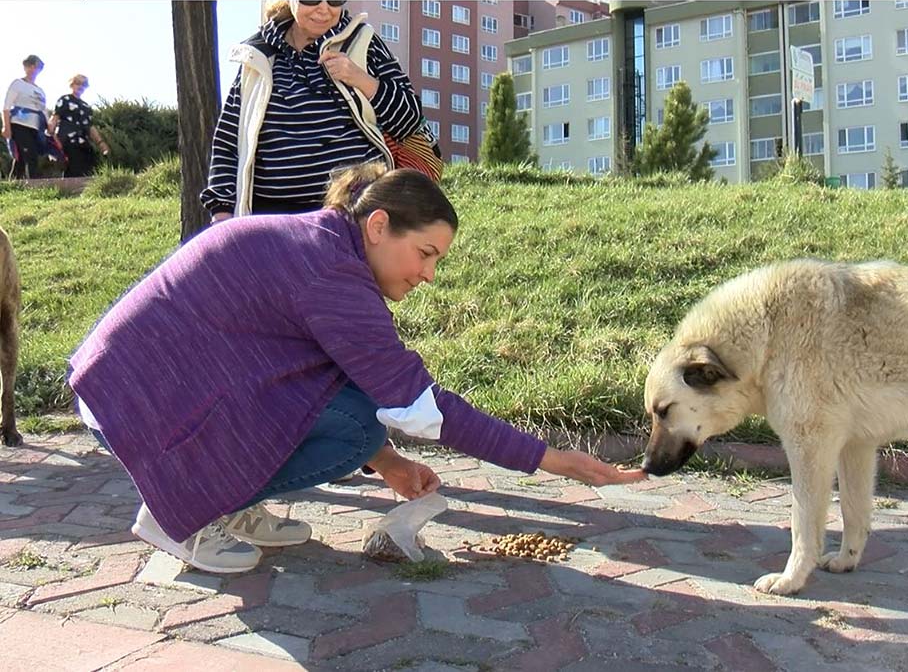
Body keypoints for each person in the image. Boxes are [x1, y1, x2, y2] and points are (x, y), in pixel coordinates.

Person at [68, 164, 645, 574]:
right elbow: (419, 407)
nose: (428, 276)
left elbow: (338, 378)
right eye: (425, 254)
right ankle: (181, 514)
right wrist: (552, 460)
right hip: (132, 403)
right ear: (377, 226)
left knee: (359, 425)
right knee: (354, 432)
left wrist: (388, 463)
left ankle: (225, 501)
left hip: (128, 389)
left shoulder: (323, 246)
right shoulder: (334, 276)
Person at [201, 0, 431, 220]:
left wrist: (361, 79)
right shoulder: (258, 54)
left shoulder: (362, 42)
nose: (324, 9)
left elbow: (409, 120)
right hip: (273, 218)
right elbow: (228, 141)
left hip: (352, 211)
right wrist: (222, 213)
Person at [48, 74, 109, 177]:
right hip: (67, 140)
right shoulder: (65, 100)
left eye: (84, 84)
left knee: (89, 168)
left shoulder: (86, 107)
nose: (80, 86)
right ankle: (69, 191)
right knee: (73, 168)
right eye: (78, 83)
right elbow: (54, 118)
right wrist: (53, 139)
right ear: (72, 84)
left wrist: (101, 143)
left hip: (83, 142)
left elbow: (90, 126)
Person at [3, 55, 49, 179]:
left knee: (22, 158)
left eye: (37, 67)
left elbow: (44, 111)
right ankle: (34, 185)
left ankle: (13, 183)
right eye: (31, 66)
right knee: (31, 155)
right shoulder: (18, 84)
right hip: (19, 124)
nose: (33, 69)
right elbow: (7, 107)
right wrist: (6, 127)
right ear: (26, 66)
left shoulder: (40, 91)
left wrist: (50, 128)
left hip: (35, 127)